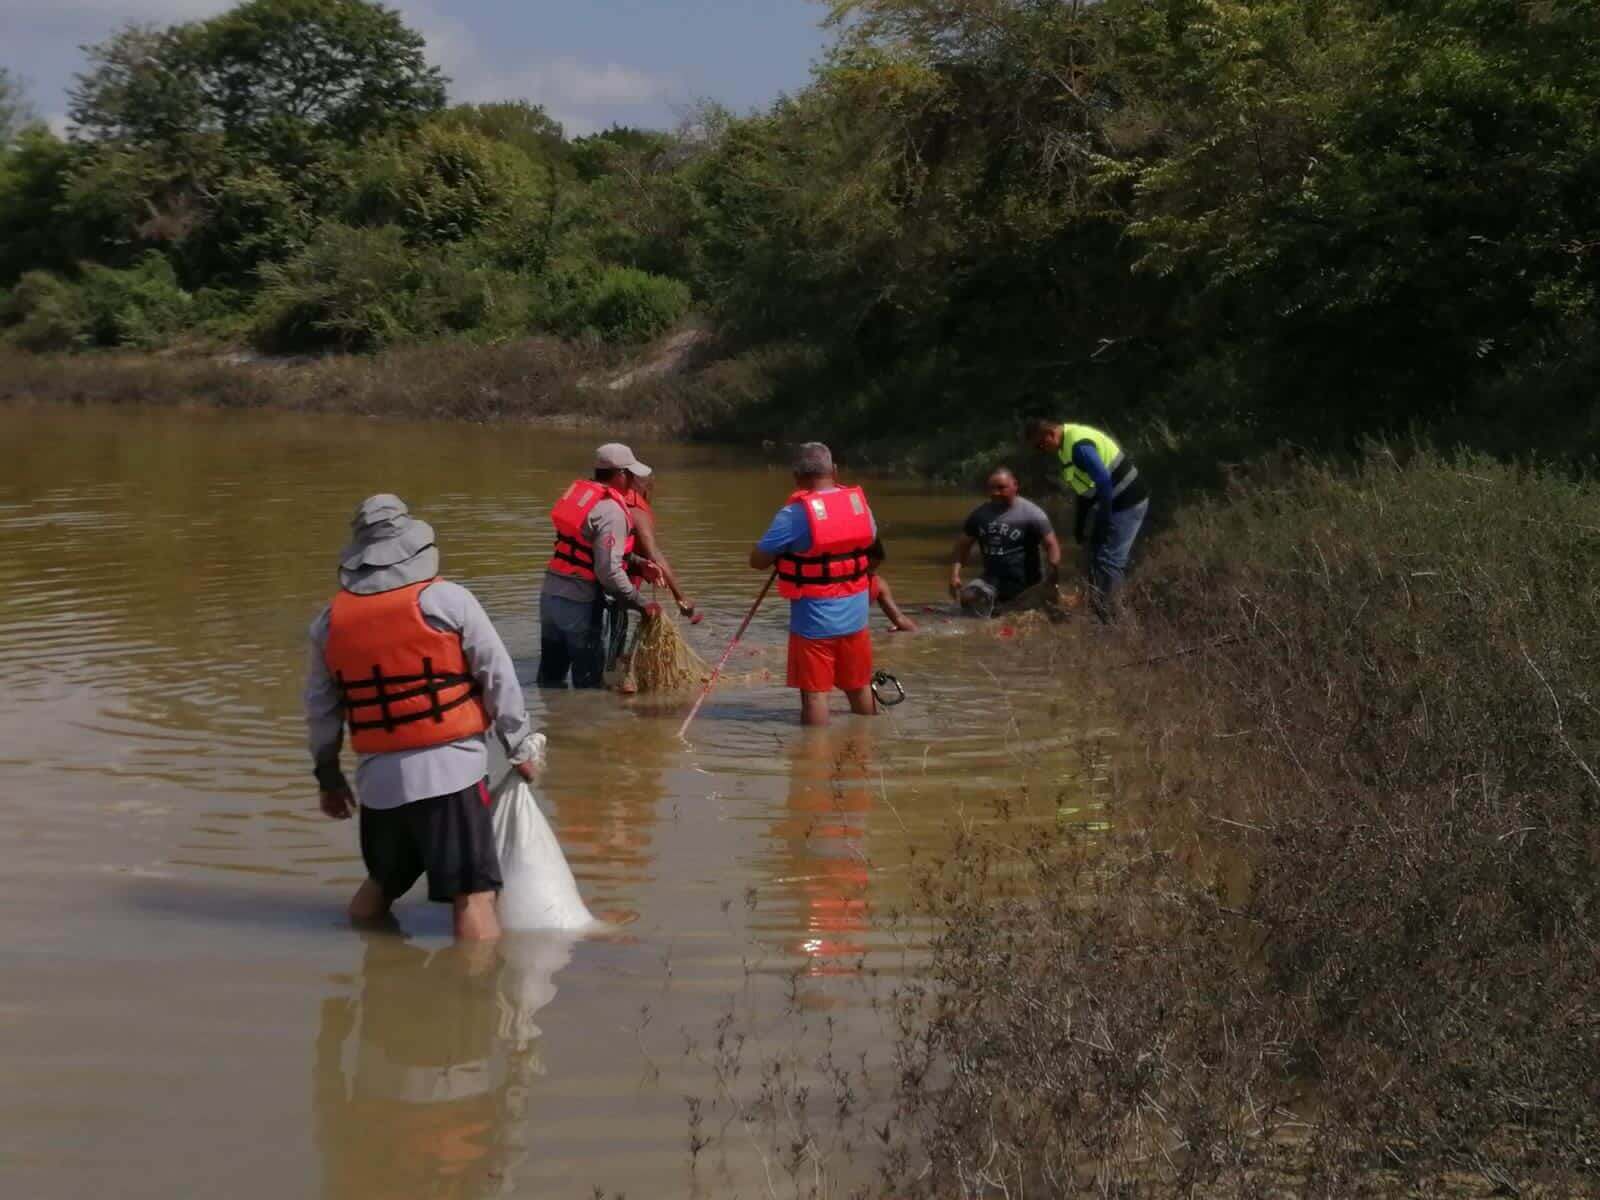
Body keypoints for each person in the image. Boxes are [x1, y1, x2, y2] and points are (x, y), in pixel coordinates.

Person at [304, 494, 543, 942]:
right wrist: (519, 745)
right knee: (473, 894)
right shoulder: (449, 601)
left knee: (383, 884)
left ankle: (370, 966)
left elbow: (320, 709)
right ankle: (476, 1001)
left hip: (380, 784)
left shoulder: (327, 623)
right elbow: (498, 675)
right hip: (450, 773)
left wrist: (328, 776)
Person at [750, 442, 881, 726]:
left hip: (814, 623)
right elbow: (870, 541)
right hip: (857, 617)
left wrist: (786, 552)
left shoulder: (793, 515)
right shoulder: (859, 505)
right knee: (858, 685)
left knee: (815, 694)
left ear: (797, 477)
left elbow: (758, 560)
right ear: (834, 471)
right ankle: (866, 749)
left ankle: (812, 760)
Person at [537, 443, 662, 688]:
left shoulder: (583, 499)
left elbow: (588, 551)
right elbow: (608, 572)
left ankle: (550, 724)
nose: (634, 480)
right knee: (589, 689)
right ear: (620, 475)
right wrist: (641, 603)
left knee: (550, 682)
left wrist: (637, 564)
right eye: (631, 474)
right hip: (580, 607)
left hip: (550, 598)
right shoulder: (612, 510)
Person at [1026, 418, 1150, 620]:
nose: (1041, 450)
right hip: (1111, 501)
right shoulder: (1064, 447)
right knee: (1091, 555)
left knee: (1109, 560)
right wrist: (1080, 523)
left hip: (1128, 502)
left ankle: (1115, 619)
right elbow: (1084, 490)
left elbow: (1103, 481)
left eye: (1040, 445)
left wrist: (1103, 521)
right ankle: (1095, 606)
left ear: (1049, 435)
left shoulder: (1079, 446)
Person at [948, 466, 1062, 617]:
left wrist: (1053, 573)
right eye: (991, 488)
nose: (996, 493)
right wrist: (955, 575)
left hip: (1026, 584)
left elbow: (1051, 544)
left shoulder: (1031, 513)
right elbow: (963, 545)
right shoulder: (980, 515)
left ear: (1015, 485)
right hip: (992, 580)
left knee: (1033, 616)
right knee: (968, 598)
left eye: (1001, 488)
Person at [624, 474, 697, 622]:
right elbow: (654, 555)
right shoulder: (636, 512)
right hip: (610, 596)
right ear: (643, 489)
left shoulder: (607, 500)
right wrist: (681, 598)